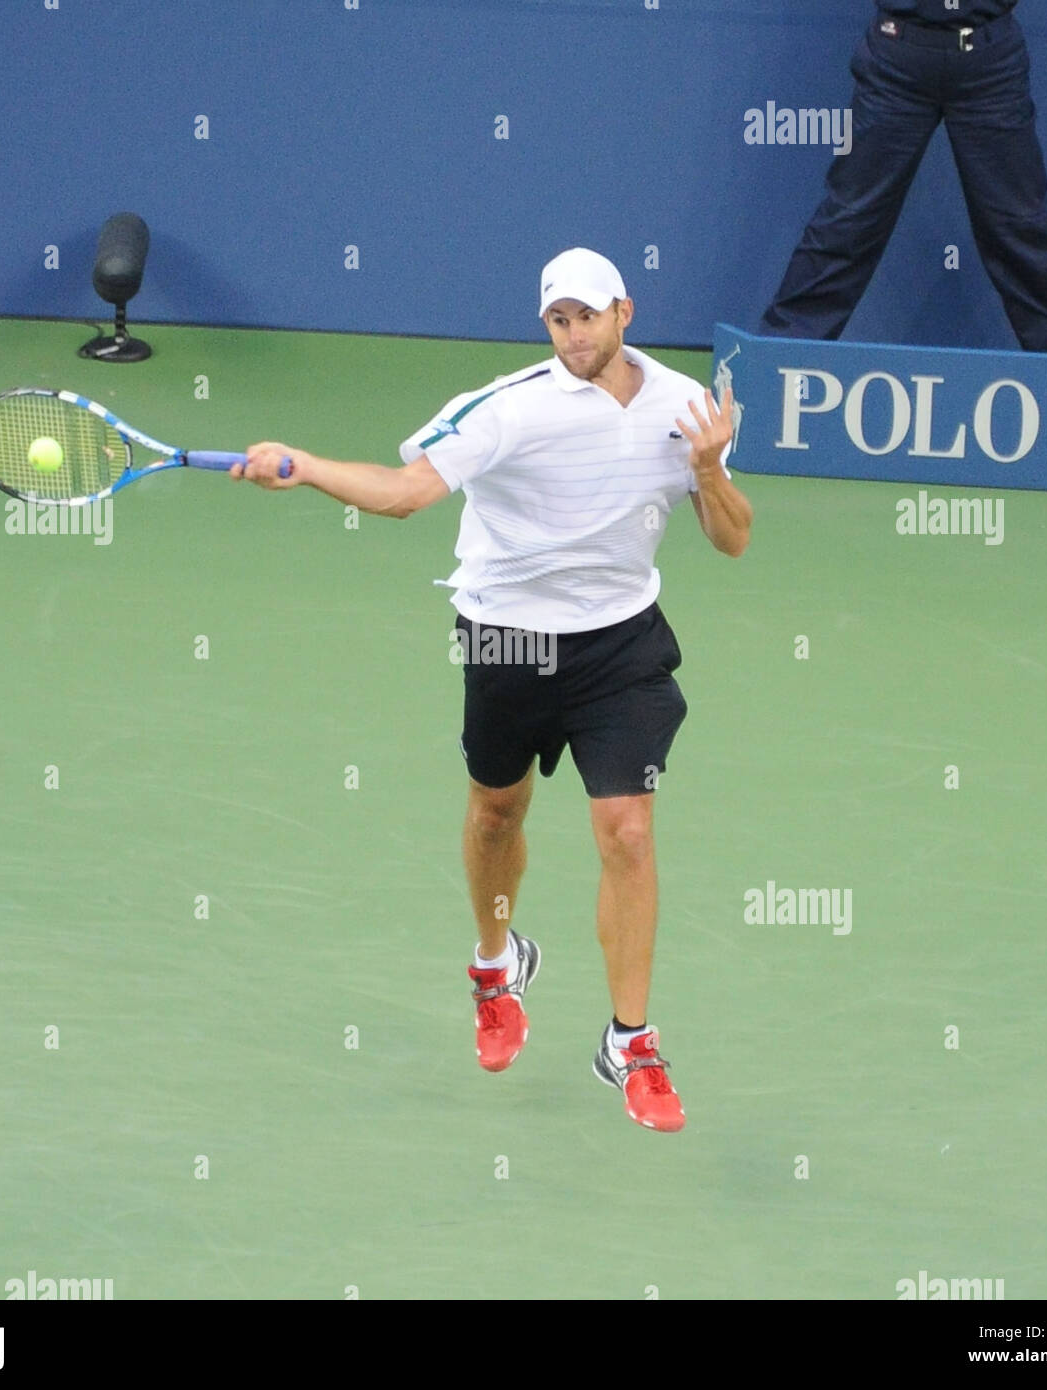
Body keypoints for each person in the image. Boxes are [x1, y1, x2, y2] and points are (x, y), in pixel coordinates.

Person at [232, 247, 753, 1131]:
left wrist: (707, 468)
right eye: (559, 319)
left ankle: (630, 1041)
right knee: (495, 815)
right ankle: (495, 962)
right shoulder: (506, 409)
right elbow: (406, 493)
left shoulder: (685, 408)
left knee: (627, 830)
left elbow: (732, 539)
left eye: (589, 315)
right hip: (508, 636)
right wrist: (311, 467)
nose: (575, 333)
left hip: (620, 643)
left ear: (625, 311)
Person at [760, 0, 1047, 428]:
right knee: (849, 217)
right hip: (895, 57)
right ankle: (777, 362)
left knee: (1018, 226)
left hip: (991, 61)